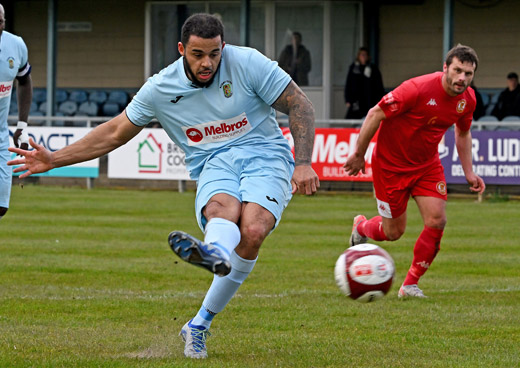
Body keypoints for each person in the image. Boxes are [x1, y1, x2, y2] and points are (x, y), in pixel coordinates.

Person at [9, 13, 319, 359]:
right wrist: (54, 159)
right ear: (181, 49)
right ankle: (214, 254)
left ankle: (199, 321)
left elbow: (299, 104)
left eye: (214, 54)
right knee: (222, 210)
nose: (208, 63)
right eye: (198, 54)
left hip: (265, 154)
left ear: (223, 48)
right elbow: (114, 133)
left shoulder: (248, 63)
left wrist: (303, 162)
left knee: (254, 229)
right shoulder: (161, 88)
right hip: (213, 162)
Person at [343, 44, 485, 299]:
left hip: (427, 167)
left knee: (437, 220)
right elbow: (376, 113)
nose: (462, 78)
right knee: (393, 233)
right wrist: (359, 153)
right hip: (390, 167)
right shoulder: (417, 89)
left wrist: (469, 172)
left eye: (468, 74)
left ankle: (409, 285)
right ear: (445, 68)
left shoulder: (468, 100)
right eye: (457, 70)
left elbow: (462, 132)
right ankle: (362, 226)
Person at [0, 3, 32, 221]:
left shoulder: (16, 45)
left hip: (1, 137)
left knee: (1, 206)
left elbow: (24, 81)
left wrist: (22, 125)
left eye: (0, 22)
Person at [344, 47, 385, 119]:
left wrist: (379, 99)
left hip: (369, 99)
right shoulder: (354, 68)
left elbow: (379, 85)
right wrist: (348, 99)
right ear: (358, 56)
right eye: (361, 55)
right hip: (356, 100)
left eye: (365, 55)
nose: (363, 57)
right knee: (353, 118)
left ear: (368, 56)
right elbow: (349, 84)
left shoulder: (373, 68)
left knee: (369, 118)